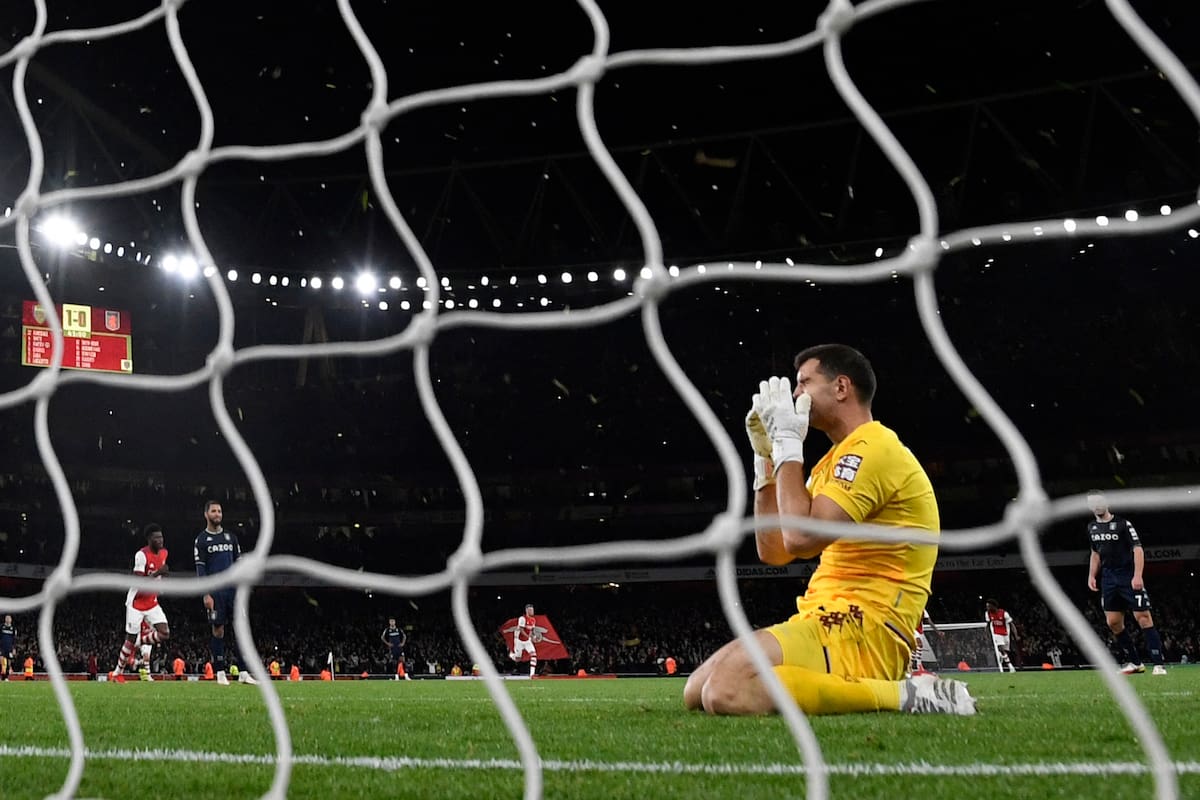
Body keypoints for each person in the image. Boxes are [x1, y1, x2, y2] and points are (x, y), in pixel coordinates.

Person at [684, 344, 975, 716]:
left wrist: (789, 445)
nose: (794, 394)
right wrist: (767, 460)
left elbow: (801, 540)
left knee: (726, 691)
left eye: (804, 382)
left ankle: (908, 694)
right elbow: (774, 550)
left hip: (868, 627)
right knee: (696, 691)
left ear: (841, 388)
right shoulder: (829, 463)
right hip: (825, 617)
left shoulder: (874, 449)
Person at [1087, 489, 1167, 675]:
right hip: (1108, 578)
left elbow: (1137, 549)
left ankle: (1158, 664)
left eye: (1099, 501)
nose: (1097, 505)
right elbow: (1095, 553)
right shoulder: (1091, 527)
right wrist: (1092, 575)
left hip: (1127, 575)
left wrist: (1137, 575)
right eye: (1093, 503)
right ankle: (1135, 662)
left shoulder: (1123, 524)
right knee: (1113, 622)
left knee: (1143, 618)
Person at [194, 500, 256, 686]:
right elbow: (201, 569)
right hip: (216, 591)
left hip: (234, 591)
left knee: (241, 629)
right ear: (206, 514)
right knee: (218, 629)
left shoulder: (231, 537)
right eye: (214, 511)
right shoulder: (202, 540)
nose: (218, 514)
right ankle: (220, 671)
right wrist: (206, 594)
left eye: (220, 511)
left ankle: (244, 672)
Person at [109, 524, 171, 684]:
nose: (161, 540)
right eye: (157, 538)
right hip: (136, 602)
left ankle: (139, 641)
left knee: (165, 633)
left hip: (152, 601)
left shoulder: (164, 553)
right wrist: (158, 573)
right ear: (149, 540)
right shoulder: (141, 555)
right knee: (129, 638)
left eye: (162, 537)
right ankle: (117, 673)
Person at [984, 599, 1017, 673]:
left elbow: (1011, 624)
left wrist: (1016, 635)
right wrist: (986, 634)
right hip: (996, 633)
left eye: (989, 606)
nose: (987, 608)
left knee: (1004, 651)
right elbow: (988, 624)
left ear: (993, 606)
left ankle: (1001, 656)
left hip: (1005, 634)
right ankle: (1010, 666)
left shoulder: (1004, 613)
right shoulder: (987, 614)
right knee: (1001, 648)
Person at [510, 604, 539, 678]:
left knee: (534, 655)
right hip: (519, 641)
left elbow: (532, 630)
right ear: (526, 610)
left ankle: (532, 674)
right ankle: (511, 655)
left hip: (527, 641)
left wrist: (534, 636)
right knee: (518, 659)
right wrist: (529, 637)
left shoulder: (533, 620)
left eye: (532, 609)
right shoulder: (522, 618)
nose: (532, 611)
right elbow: (521, 630)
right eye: (530, 610)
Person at [0, 614, 14, 681]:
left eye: (9, 618)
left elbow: (14, 639)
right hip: (2, 647)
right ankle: (2, 676)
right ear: (5, 619)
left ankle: (6, 677)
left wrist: (13, 648)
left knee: (9, 662)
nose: (8, 619)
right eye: (7, 618)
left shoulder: (13, 628)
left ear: (11, 620)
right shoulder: (1, 627)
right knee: (2, 662)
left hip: (9, 648)